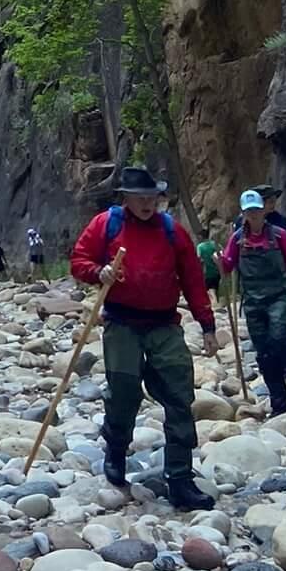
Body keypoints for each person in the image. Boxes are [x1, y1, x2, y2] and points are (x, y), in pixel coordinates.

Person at [70, 166, 218, 510]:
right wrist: (99, 272)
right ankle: (116, 451)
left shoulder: (172, 231)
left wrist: (207, 325)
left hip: (164, 324)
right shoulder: (107, 225)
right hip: (122, 322)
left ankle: (180, 479)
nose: (148, 204)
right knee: (123, 394)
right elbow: (79, 261)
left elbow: (193, 280)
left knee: (179, 396)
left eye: (152, 198)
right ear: (126, 198)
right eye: (140, 198)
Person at [222, 189, 286, 415]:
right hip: (253, 302)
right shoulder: (237, 239)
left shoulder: (280, 235)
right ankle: (279, 403)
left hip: (280, 297)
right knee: (264, 353)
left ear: (264, 210)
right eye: (248, 211)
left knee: (280, 338)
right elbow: (228, 267)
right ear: (243, 214)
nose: (253, 215)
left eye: (256, 210)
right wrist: (219, 262)